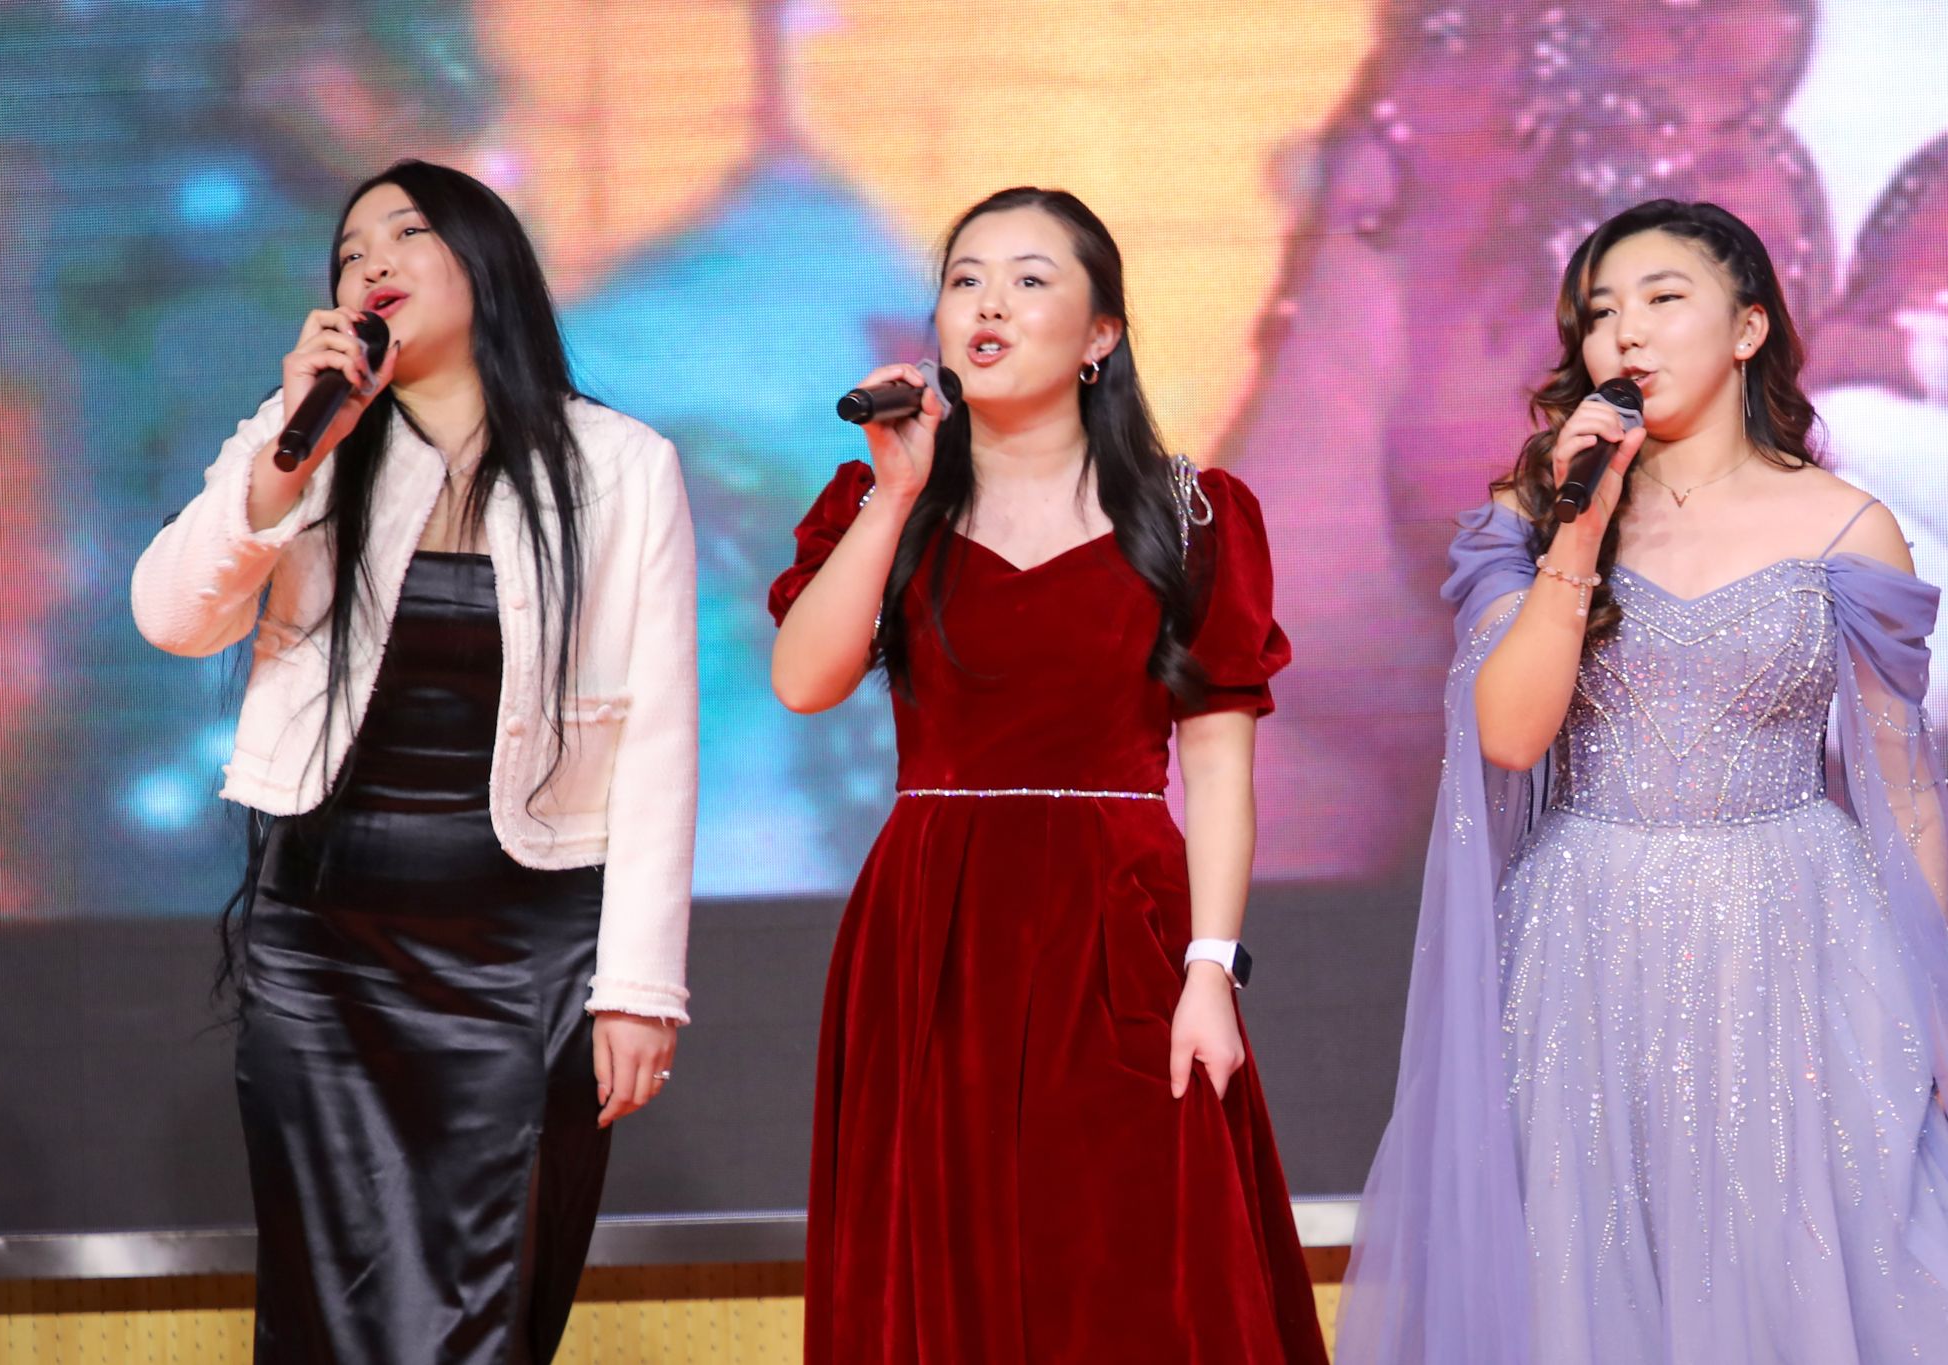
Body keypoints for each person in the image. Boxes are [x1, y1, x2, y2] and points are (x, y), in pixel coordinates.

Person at [1335, 198, 1948, 1364]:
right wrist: (1576, 530)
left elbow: (1904, 787)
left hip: (1798, 938)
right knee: (1586, 1269)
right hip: (1585, 940)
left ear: (1746, 328)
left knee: (1821, 1261)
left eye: (1662, 299)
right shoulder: (1528, 519)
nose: (1627, 333)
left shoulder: (1845, 526)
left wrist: (1930, 1004)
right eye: (1601, 312)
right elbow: (1510, 735)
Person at [132, 159, 697, 1363]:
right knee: (328, 1312)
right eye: (349, 252)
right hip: (325, 943)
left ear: (485, 262)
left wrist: (639, 987)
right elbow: (172, 616)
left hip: (526, 949)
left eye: (405, 234)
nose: (371, 262)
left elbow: (656, 738)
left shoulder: (618, 465)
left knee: (488, 1305)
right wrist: (287, 457)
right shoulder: (309, 438)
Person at [769, 186, 1326, 1364]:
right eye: (964, 280)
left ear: (1099, 335)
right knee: (947, 1260)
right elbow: (804, 681)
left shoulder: (1192, 514)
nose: (989, 304)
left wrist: (1209, 970)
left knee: (1130, 1264)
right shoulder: (882, 501)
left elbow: (1218, 766)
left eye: (1029, 281)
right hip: (933, 925)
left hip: (1118, 922)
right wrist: (895, 493)